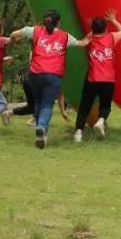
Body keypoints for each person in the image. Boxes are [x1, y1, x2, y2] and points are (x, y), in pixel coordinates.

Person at [10, 10, 81, 149]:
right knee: (47, 105)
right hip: (53, 75)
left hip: (35, 74)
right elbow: (80, 44)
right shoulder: (65, 36)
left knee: (38, 102)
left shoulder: (34, 30)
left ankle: (40, 132)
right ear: (58, 22)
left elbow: (13, 34)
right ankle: (41, 127)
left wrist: (12, 41)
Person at [74, 9, 121, 143]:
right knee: (105, 105)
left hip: (92, 78)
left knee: (84, 106)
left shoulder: (90, 39)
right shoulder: (112, 37)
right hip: (108, 79)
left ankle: (78, 133)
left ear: (93, 29)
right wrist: (113, 19)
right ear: (106, 28)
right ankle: (101, 121)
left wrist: (92, 29)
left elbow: (84, 40)